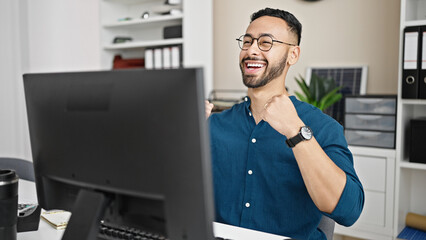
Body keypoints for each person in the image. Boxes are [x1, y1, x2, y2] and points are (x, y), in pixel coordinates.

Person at [205, 8, 364, 240]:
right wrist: (184, 135)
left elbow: (349, 211)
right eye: (247, 41)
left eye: (266, 42)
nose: (251, 50)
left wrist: (296, 132)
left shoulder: (321, 127)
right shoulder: (214, 125)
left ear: (293, 55)